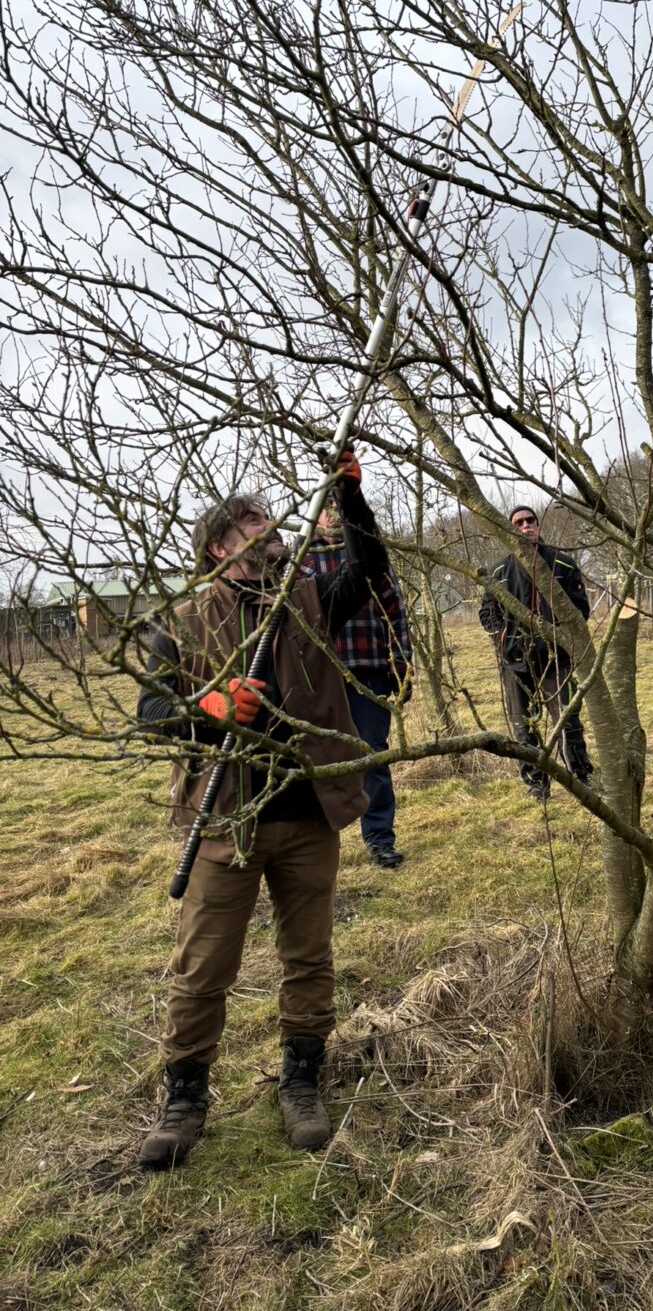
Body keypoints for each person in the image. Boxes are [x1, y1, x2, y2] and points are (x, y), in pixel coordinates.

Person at [135, 451, 386, 1170]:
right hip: (223, 822)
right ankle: (184, 1098)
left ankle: (301, 1083)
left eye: (269, 520)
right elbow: (152, 713)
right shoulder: (181, 621)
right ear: (220, 546)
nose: (270, 529)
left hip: (307, 813)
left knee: (308, 957)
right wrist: (209, 709)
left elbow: (368, 569)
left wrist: (350, 496)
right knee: (203, 966)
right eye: (252, 523)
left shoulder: (309, 597)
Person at [301, 499, 413, 868]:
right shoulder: (298, 561)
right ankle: (313, 842)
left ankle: (380, 838)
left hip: (369, 668)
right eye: (326, 506)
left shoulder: (364, 553)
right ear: (314, 514)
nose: (333, 512)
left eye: (338, 505)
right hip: (318, 676)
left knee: (373, 756)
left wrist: (401, 664)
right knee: (315, 756)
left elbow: (394, 610)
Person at [479, 504, 593, 799]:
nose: (525, 526)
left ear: (538, 524)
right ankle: (535, 784)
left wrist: (561, 636)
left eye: (530, 520)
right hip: (515, 661)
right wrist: (502, 638)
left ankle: (580, 778)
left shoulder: (563, 564)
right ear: (510, 529)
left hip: (556, 659)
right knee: (522, 725)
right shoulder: (499, 572)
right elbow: (487, 612)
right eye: (518, 523)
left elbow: (581, 609)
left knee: (568, 720)